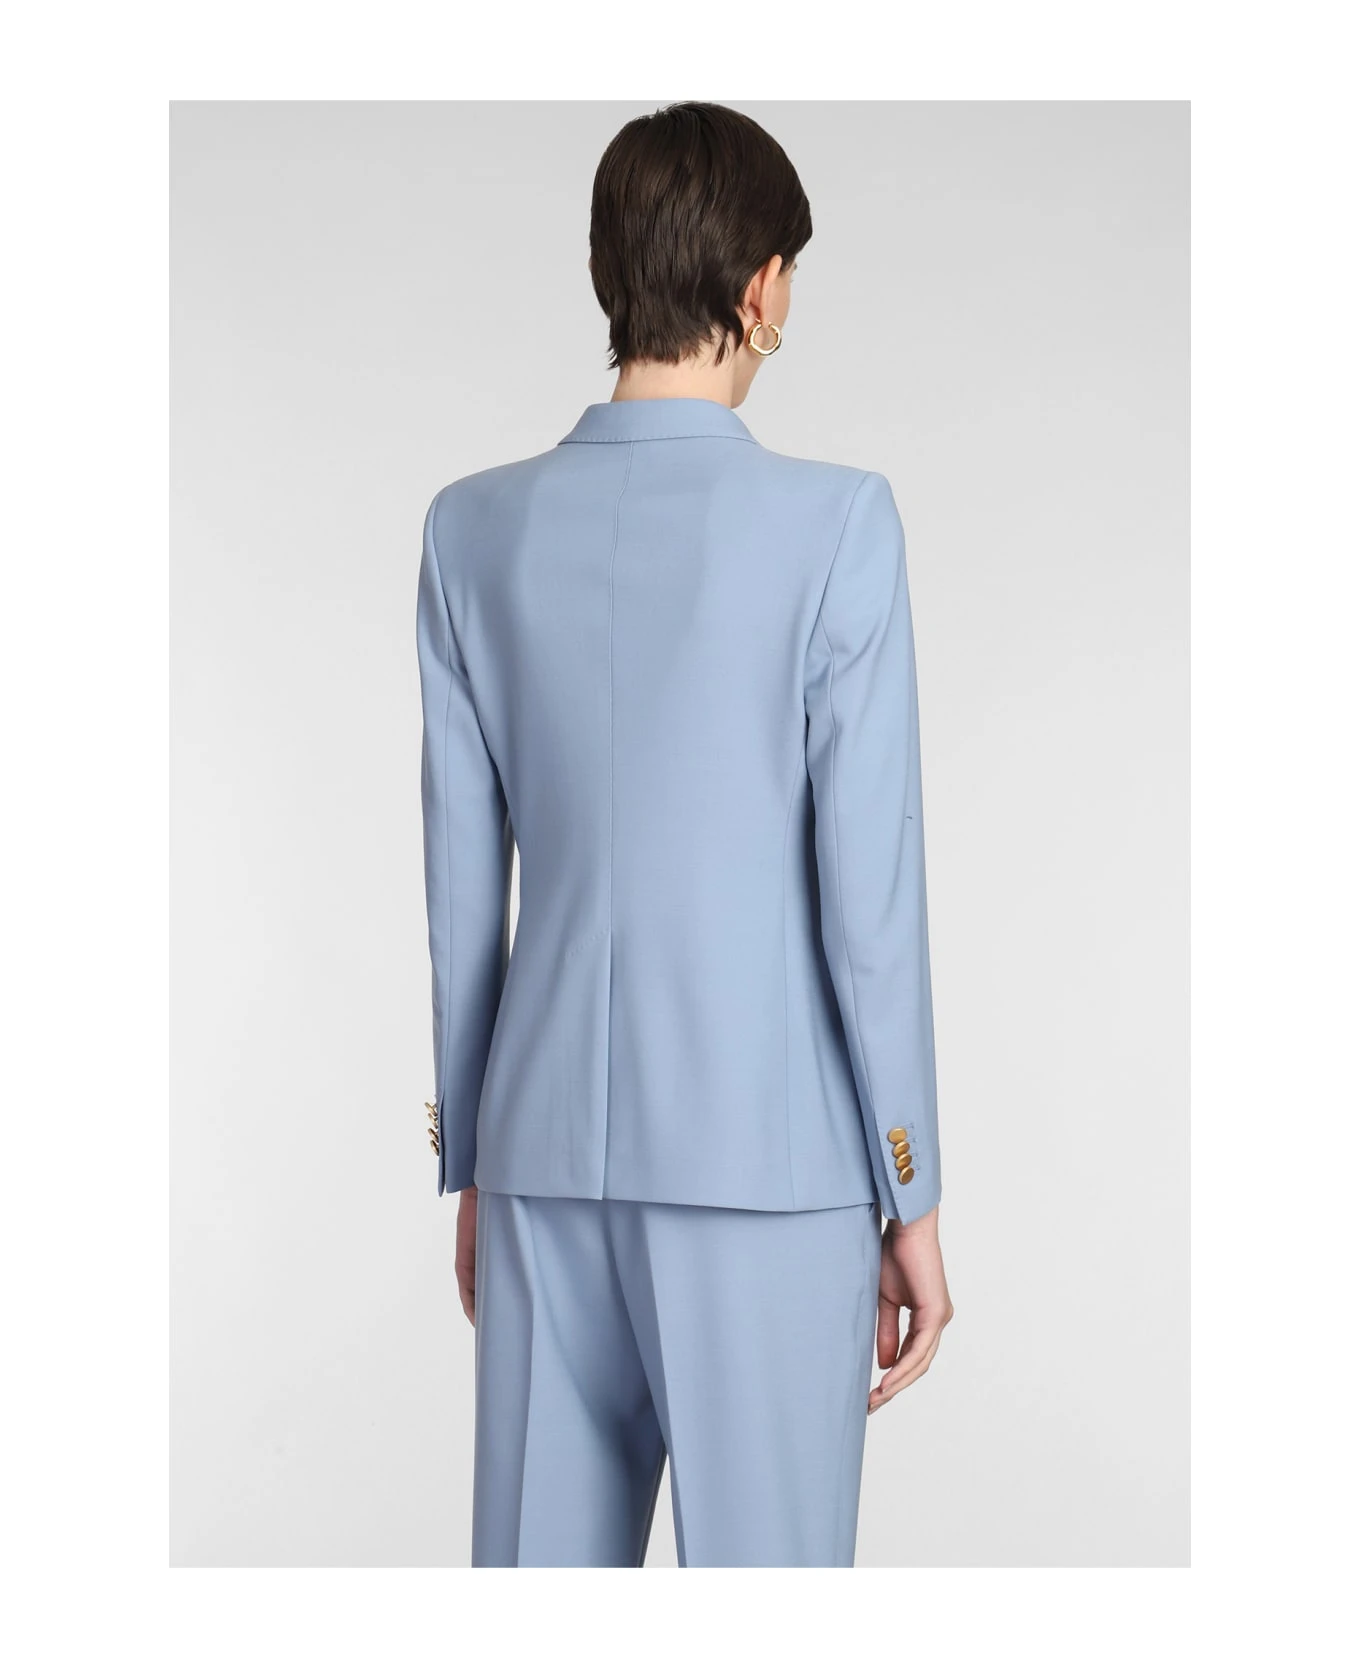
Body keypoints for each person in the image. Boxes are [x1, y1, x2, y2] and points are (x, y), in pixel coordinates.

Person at [416, 101, 953, 1568]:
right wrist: (908, 1189)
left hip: (540, 1160)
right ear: (761, 286)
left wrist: (477, 1159)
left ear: (612, 272)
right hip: (767, 1168)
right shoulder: (837, 525)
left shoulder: (470, 531)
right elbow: (869, 901)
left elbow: (462, 888)